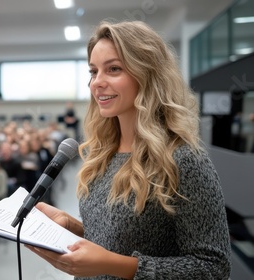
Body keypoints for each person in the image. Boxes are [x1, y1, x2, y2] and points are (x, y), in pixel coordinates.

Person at [27, 21, 231, 279]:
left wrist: (114, 266)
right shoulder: (102, 154)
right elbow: (116, 242)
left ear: (147, 75)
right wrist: (73, 227)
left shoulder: (183, 160)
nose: (97, 83)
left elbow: (214, 267)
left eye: (113, 69)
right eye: (93, 71)